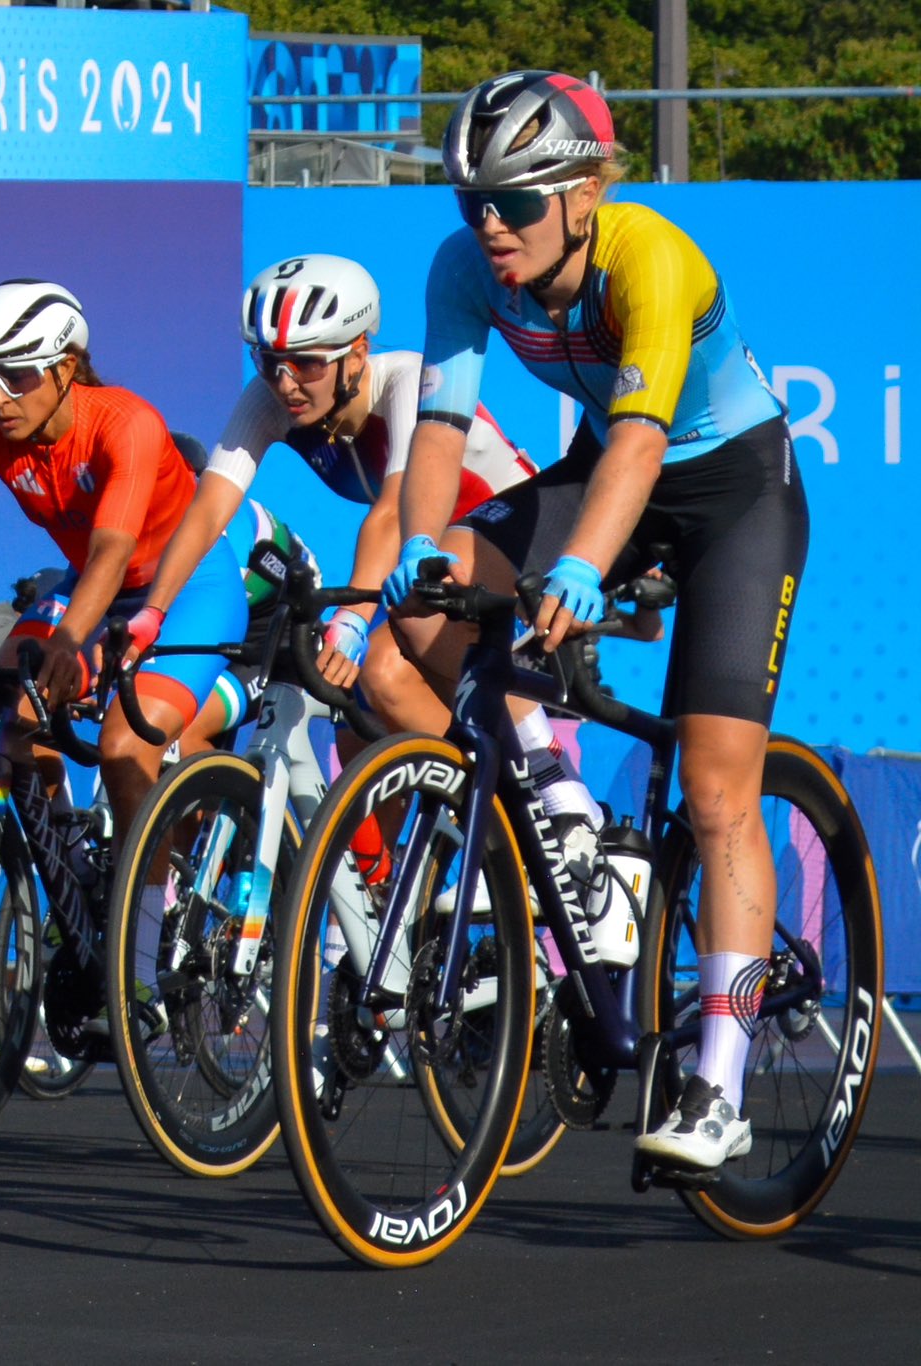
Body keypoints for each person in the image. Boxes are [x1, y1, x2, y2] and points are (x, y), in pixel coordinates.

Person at [385, 71, 804, 1172]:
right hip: (602, 471)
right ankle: (558, 802)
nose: (488, 224)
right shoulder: (462, 269)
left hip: (728, 494)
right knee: (420, 610)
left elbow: (638, 442)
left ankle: (717, 1079)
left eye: (515, 201)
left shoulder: (646, 256)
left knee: (716, 789)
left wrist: (578, 567)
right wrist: (421, 545)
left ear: (583, 192)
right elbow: (436, 428)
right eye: (469, 199)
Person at [142, 255, 598, 829]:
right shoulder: (272, 399)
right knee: (358, 734)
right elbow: (206, 514)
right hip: (433, 567)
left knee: (381, 667)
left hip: (516, 556)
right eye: (269, 362)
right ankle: (399, 890)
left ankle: (524, 814)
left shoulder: (408, 378)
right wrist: (153, 614)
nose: (285, 384)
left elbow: (392, 514)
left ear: (357, 352)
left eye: (306, 363)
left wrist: (355, 620)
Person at [0, 280, 248, 877]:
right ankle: (69, 878)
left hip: (188, 588)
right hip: (91, 583)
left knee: (121, 747)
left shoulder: (126, 422)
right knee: (10, 704)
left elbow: (114, 549)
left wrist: (68, 641)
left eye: (18, 377)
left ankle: (140, 943)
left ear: (67, 367)